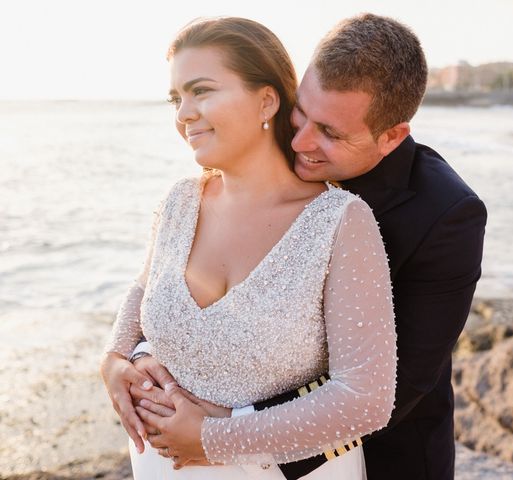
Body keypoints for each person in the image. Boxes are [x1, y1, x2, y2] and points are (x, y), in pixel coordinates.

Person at [103, 13, 487, 480]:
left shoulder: (440, 215)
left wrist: (219, 436)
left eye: (330, 132)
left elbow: (390, 388)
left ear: (390, 137)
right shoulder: (191, 196)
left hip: (376, 454)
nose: (300, 141)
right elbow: (148, 284)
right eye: (301, 111)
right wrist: (119, 358)